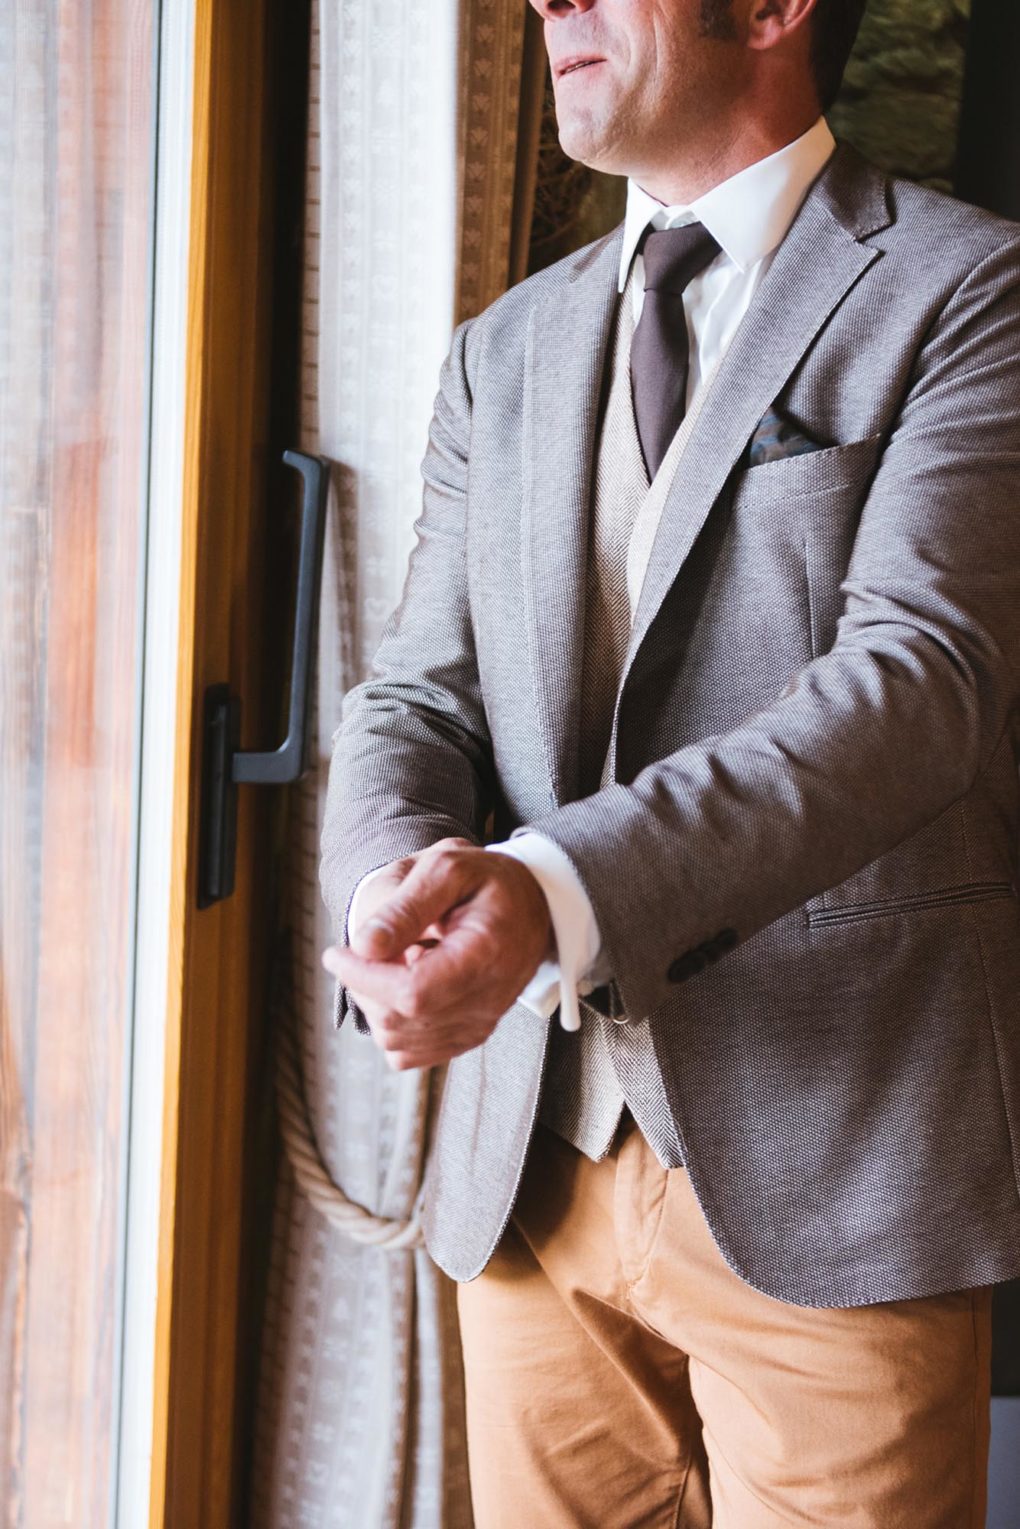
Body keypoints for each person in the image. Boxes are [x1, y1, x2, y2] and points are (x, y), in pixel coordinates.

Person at [320, 0, 1020, 1521]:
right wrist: (393, 884)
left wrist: (550, 891)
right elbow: (415, 702)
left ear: (771, 9)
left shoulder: (971, 291)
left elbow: (918, 689)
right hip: (533, 1178)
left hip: (837, 1178)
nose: (548, 4)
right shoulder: (503, 350)